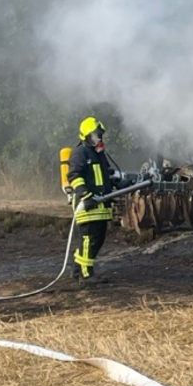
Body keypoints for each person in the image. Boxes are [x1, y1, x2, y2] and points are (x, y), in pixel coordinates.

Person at [68, 117, 116, 285]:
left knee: (97, 239)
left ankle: (76, 269)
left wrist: (121, 182)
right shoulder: (80, 153)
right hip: (88, 206)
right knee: (89, 240)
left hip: (101, 206)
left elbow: (106, 176)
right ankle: (86, 275)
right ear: (86, 137)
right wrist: (85, 196)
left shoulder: (99, 154)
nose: (98, 139)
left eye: (100, 135)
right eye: (95, 136)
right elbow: (74, 176)